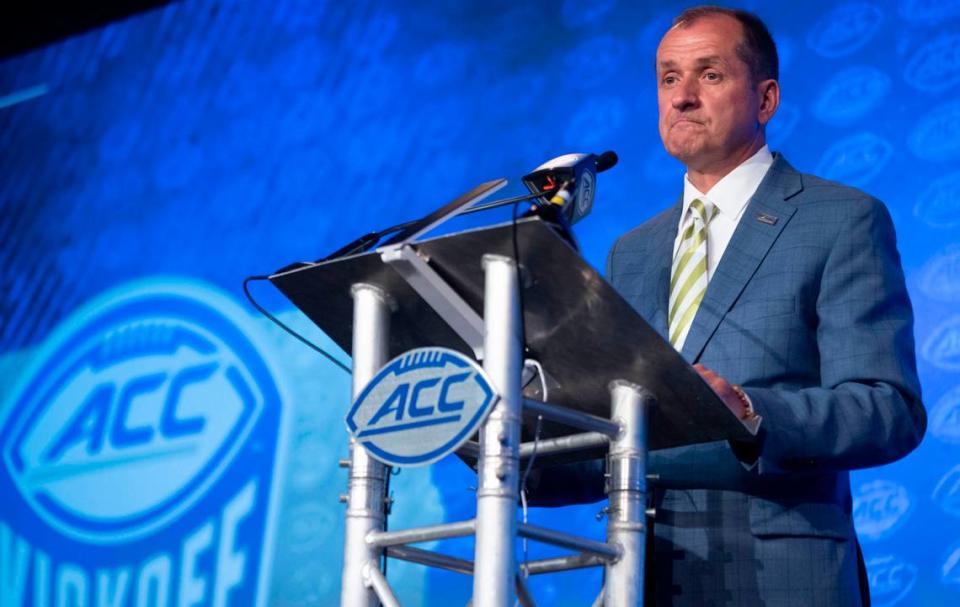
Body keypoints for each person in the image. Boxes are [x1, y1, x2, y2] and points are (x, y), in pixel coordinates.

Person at [533, 6, 926, 606]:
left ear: (765, 99)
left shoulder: (841, 219)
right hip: (644, 568)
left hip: (782, 571)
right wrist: (527, 442)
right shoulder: (630, 252)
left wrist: (746, 410)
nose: (682, 97)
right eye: (668, 78)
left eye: (709, 75)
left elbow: (886, 409)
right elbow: (617, 430)